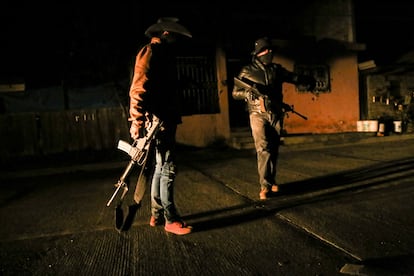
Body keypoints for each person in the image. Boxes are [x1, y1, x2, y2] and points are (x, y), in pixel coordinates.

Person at [128, 17, 193, 235]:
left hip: (164, 119)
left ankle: (157, 215)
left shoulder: (162, 55)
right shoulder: (150, 52)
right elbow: (138, 89)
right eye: (174, 35)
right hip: (158, 122)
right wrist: (136, 122)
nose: (176, 40)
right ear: (166, 33)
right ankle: (170, 219)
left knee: (160, 168)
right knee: (168, 169)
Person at [232, 37, 315, 200]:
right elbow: (235, 93)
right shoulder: (247, 71)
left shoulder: (276, 69)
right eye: (265, 51)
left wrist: (307, 80)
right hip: (257, 114)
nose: (269, 53)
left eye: (270, 51)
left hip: (276, 113)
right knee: (263, 149)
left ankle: (271, 180)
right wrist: (247, 94)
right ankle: (265, 186)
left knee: (274, 149)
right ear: (257, 54)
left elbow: (294, 78)